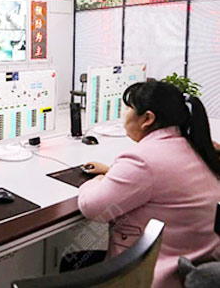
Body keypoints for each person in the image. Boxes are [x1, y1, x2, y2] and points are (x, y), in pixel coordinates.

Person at [78, 81, 220, 288]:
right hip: (193, 266)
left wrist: (97, 181)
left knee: (72, 262)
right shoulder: (193, 146)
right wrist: (111, 172)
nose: (124, 115)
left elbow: (92, 209)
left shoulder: (142, 159)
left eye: (128, 108)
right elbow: (164, 181)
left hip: (155, 276)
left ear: (147, 118)